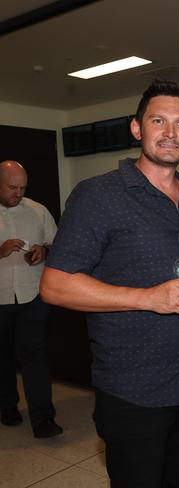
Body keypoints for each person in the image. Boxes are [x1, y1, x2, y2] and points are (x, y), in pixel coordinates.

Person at [40, 80, 179, 488]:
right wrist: (147, 298)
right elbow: (54, 284)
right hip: (132, 385)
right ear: (137, 128)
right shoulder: (98, 196)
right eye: (159, 121)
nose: (171, 133)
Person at [0, 160, 61, 438]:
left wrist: (43, 252)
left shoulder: (38, 211)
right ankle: (7, 406)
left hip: (33, 294)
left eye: (22, 187)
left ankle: (43, 419)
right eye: (12, 187)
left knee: (35, 356)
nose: (18, 193)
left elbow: (56, 244)